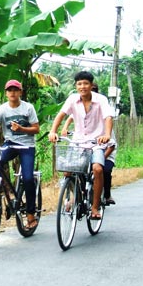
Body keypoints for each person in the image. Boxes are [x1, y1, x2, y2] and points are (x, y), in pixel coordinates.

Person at [0, 79, 40, 229]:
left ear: (20, 92)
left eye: (15, 90)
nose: (12, 93)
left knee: (28, 179)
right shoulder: (2, 109)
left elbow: (36, 129)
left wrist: (22, 129)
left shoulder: (28, 108)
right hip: (10, 144)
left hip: (27, 146)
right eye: (10, 90)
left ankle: (30, 213)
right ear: (6, 93)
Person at [48, 71, 113, 219]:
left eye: (85, 83)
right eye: (79, 84)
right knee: (67, 171)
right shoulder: (72, 99)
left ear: (91, 85)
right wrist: (53, 131)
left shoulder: (101, 100)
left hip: (96, 143)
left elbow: (108, 117)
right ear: (76, 86)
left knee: (97, 169)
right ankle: (76, 197)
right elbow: (61, 115)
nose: (82, 86)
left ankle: (95, 207)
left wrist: (107, 134)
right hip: (77, 142)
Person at [60, 83, 117, 206]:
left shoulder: (104, 121)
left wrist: (100, 156)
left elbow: (111, 144)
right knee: (68, 171)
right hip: (82, 147)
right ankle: (75, 197)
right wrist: (62, 129)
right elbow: (68, 117)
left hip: (102, 150)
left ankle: (103, 197)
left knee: (101, 170)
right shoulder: (80, 110)